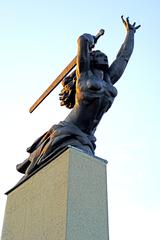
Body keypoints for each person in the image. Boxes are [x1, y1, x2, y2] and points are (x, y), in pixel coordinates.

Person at [17, 16, 140, 176]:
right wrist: (91, 39)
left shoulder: (109, 80)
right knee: (39, 171)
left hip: (87, 137)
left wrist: (130, 33)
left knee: (83, 170)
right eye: (99, 55)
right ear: (90, 58)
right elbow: (82, 39)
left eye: (105, 56)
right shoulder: (85, 76)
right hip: (69, 130)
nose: (104, 57)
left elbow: (123, 57)